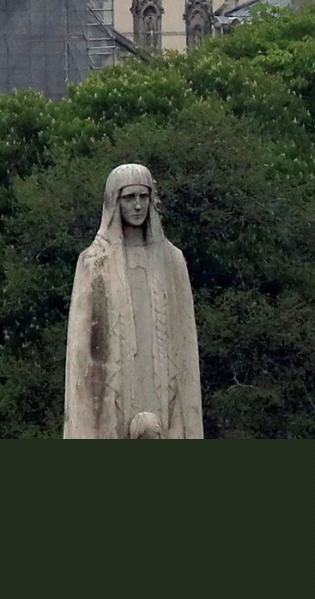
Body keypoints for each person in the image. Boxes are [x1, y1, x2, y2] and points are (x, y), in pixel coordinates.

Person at [63, 162, 203, 438]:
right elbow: (83, 350)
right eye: (129, 198)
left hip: (162, 382)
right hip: (114, 384)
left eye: (143, 197)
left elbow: (185, 338)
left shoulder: (172, 260)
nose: (137, 206)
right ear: (115, 202)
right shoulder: (95, 262)